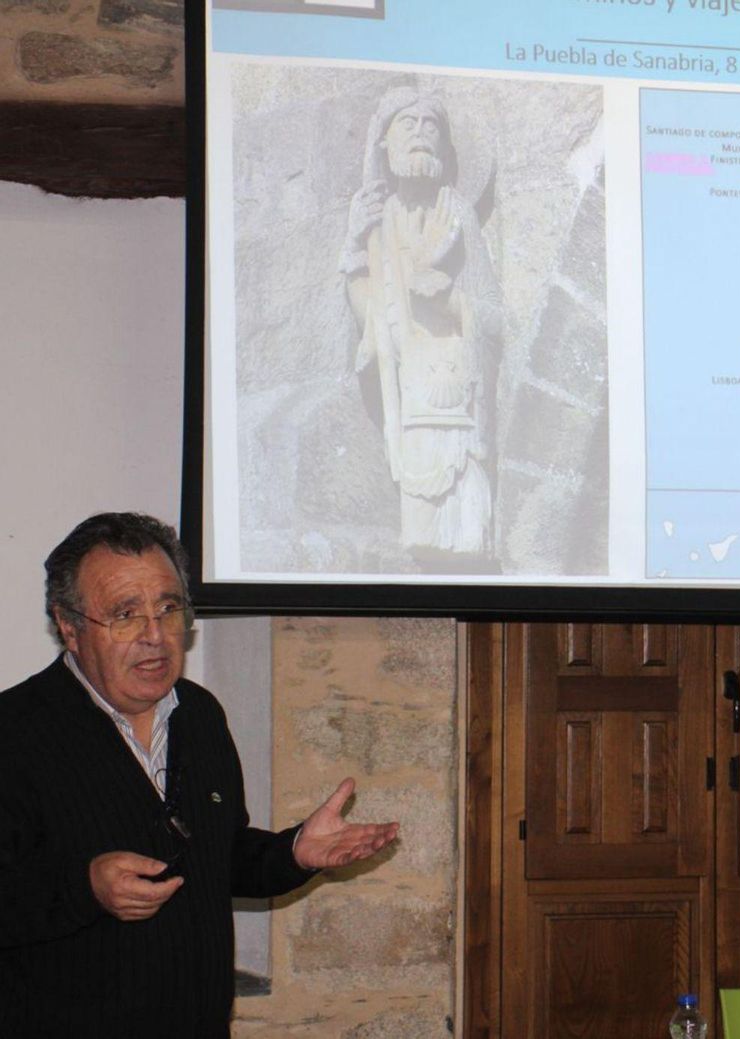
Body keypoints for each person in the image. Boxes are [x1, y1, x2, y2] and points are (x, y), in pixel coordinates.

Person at [0, 512, 398, 1038]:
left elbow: (217, 856)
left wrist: (294, 852)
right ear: (69, 626)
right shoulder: (15, 732)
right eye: (125, 615)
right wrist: (85, 889)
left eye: (169, 609)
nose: (155, 636)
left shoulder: (199, 714)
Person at [340, 86, 503, 566]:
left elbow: (494, 317)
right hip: (410, 404)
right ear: (384, 145)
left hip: (459, 408)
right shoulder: (375, 221)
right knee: (423, 529)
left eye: (430, 125)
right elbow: (366, 311)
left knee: (467, 531)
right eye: (406, 125)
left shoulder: (461, 217)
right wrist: (354, 247)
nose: (419, 135)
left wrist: (450, 300)